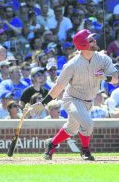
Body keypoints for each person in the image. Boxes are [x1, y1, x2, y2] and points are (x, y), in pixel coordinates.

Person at [28, 29, 118, 161]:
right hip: (72, 99)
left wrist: (106, 77)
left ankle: (51, 143)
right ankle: (85, 151)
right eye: (90, 40)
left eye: (93, 39)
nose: (94, 41)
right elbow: (59, 87)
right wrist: (43, 103)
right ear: (83, 45)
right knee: (87, 124)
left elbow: (116, 79)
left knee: (70, 129)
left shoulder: (103, 58)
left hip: (88, 101)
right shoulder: (72, 64)